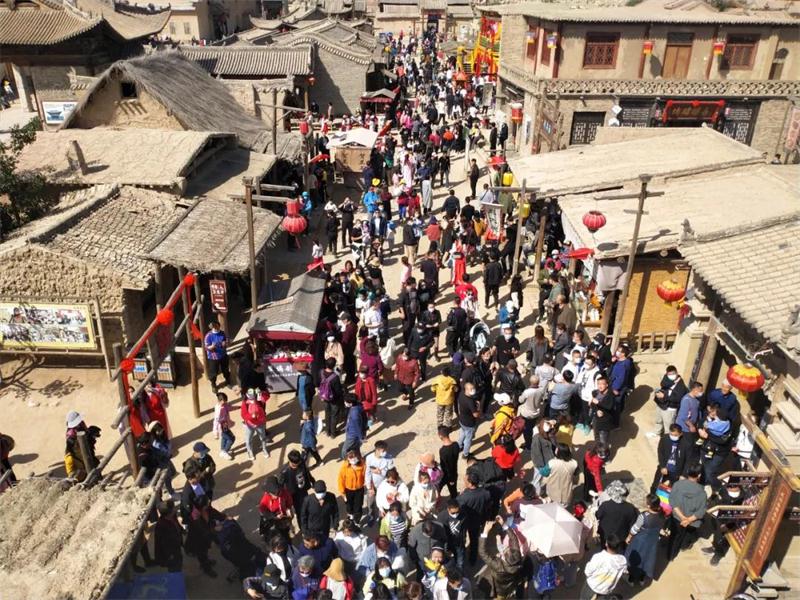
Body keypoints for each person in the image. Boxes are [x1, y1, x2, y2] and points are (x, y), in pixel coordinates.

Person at [667, 464, 707, 561]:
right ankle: (682, 547)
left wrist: (682, 517)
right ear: (699, 475)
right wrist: (688, 520)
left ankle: (670, 555)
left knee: (674, 536)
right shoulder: (702, 493)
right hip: (690, 522)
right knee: (684, 536)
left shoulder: (678, 484)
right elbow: (701, 511)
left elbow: (672, 501)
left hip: (676, 518)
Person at [478, 519, 525, 600]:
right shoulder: (517, 556)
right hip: (510, 586)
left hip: (499, 590)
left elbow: (482, 552)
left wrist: (485, 531)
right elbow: (514, 539)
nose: (506, 549)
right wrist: (504, 525)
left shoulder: (498, 566)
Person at [625, 493, 666, 586]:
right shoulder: (662, 515)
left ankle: (631, 579)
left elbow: (635, 529)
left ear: (649, 506)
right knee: (647, 559)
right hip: (653, 542)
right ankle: (642, 579)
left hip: (640, 541)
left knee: (635, 560)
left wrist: (629, 537)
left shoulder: (643, 516)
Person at [185, 495, 226, 578]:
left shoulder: (206, 509)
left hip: (205, 537)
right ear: (203, 507)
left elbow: (214, 513)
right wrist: (215, 529)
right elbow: (204, 530)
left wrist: (224, 517)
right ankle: (206, 568)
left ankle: (207, 561)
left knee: (205, 552)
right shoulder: (195, 518)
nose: (209, 502)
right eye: (207, 502)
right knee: (201, 555)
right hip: (197, 540)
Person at [457, 471, 491, 565]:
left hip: (465, 521)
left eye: (465, 480)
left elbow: (457, 506)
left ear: (470, 483)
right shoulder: (485, 493)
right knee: (474, 540)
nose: (464, 482)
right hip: (477, 521)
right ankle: (473, 559)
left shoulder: (464, 497)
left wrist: (461, 494)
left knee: (462, 539)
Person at [580, 534, 627, 600]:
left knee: (584, 598)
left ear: (606, 544)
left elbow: (587, 571)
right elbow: (624, 571)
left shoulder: (598, 557)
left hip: (592, 585)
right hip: (606, 588)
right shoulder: (623, 560)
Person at [646, 364, 688, 439]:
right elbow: (663, 383)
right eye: (669, 374)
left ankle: (667, 439)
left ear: (677, 373)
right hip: (661, 404)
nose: (671, 376)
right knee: (658, 420)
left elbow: (678, 398)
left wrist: (664, 396)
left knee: (668, 426)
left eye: (673, 374)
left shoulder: (681, 386)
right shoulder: (667, 377)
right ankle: (657, 433)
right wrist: (672, 382)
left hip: (670, 408)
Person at [595, 480, 638, 548]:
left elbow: (598, 515)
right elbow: (633, 524)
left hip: (605, 536)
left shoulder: (605, 505)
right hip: (621, 538)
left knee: (605, 550)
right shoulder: (630, 508)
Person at [651, 423, 691, 493]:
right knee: (656, 486)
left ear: (681, 434)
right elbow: (660, 452)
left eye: (675, 435)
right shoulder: (665, 438)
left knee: (670, 491)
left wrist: (684, 474)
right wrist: (662, 466)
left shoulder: (686, 444)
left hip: (676, 472)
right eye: (671, 434)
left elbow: (688, 460)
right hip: (664, 469)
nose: (673, 437)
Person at [365, 441, 395, 525]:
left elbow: (391, 472)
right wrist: (369, 487)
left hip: (383, 485)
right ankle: (371, 516)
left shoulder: (389, 458)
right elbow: (367, 472)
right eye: (383, 450)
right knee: (370, 502)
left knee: (382, 502)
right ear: (377, 450)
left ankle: (381, 517)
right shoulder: (369, 458)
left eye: (385, 450)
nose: (385, 452)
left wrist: (381, 472)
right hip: (372, 485)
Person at [154, 500, 183, 572]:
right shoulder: (161, 526)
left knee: (179, 562)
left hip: (176, 547)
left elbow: (177, 525)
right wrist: (170, 556)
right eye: (173, 508)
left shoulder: (172, 516)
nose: (175, 509)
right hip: (171, 553)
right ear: (168, 513)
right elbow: (163, 544)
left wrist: (182, 530)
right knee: (174, 567)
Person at [241, 388, 270, 460]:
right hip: (249, 425)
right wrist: (251, 416)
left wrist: (261, 392)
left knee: (263, 438)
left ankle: (264, 449)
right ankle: (249, 451)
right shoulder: (245, 403)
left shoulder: (259, 399)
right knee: (248, 439)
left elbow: (267, 397)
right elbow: (243, 415)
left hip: (260, 423)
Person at [339, 450, 367, 523]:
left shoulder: (363, 465)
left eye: (354, 457)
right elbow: (341, 479)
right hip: (348, 490)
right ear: (348, 458)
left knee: (358, 506)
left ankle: (357, 520)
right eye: (350, 457)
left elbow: (366, 475)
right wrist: (342, 493)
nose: (353, 459)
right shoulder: (345, 467)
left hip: (359, 490)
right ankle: (350, 516)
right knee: (349, 505)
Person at [530, 417, 555, 496]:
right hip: (541, 465)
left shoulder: (548, 435)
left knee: (544, 479)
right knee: (537, 480)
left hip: (548, 462)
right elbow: (536, 454)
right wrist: (541, 467)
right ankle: (536, 494)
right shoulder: (537, 438)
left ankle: (541, 490)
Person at [457, 382, 481, 459]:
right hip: (469, 423)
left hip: (462, 420)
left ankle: (459, 446)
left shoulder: (461, 394)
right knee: (468, 439)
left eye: (473, 388)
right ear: (466, 389)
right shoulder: (470, 402)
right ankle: (465, 454)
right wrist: (478, 408)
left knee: (462, 433)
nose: (473, 390)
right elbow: (475, 415)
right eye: (471, 389)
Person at [204, 320, 230, 393]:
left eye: (217, 326)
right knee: (213, 372)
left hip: (223, 355)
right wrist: (212, 346)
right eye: (214, 326)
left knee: (225, 369)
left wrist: (225, 343)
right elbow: (206, 347)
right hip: (213, 357)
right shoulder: (208, 336)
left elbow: (227, 340)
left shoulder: (222, 333)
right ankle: (213, 385)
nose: (216, 328)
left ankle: (227, 380)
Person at [590, 376, 615, 450]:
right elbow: (592, 404)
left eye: (602, 384)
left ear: (607, 385)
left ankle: (604, 454)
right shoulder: (596, 392)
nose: (600, 386)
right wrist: (597, 410)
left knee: (603, 441)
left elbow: (609, 406)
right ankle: (598, 450)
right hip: (596, 420)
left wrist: (598, 402)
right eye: (598, 384)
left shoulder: (610, 395)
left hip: (605, 423)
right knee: (596, 437)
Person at [343, 394, 367, 459]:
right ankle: (359, 459)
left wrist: (361, 437)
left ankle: (347, 460)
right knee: (356, 448)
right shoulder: (358, 406)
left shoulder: (354, 413)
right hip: (354, 432)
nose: (344, 403)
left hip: (352, 434)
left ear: (351, 403)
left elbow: (357, 427)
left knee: (344, 451)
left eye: (346, 402)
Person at [213, 392, 235, 460]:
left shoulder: (224, 405)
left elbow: (228, 408)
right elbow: (216, 422)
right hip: (222, 428)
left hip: (225, 426)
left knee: (224, 438)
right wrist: (215, 433)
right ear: (220, 400)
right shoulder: (218, 410)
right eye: (224, 401)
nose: (225, 403)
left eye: (225, 401)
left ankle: (223, 450)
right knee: (231, 439)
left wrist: (238, 407)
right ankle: (224, 452)